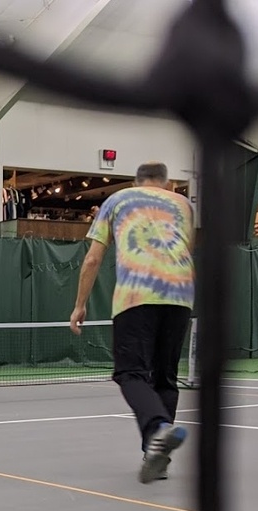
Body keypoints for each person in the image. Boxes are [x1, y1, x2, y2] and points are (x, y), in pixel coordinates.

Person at [69, 161, 195, 483]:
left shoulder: (118, 200)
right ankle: (157, 455)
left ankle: (157, 429)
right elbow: (187, 250)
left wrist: (80, 305)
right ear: (167, 184)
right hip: (180, 297)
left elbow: (94, 258)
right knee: (165, 378)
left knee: (130, 373)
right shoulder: (183, 204)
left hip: (137, 297)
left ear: (136, 182)